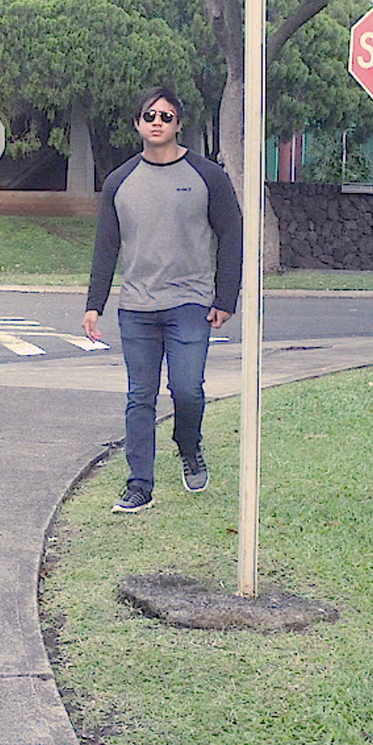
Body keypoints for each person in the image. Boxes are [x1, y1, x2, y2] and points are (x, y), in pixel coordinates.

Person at [81, 87, 241, 514]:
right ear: (137, 124)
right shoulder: (120, 181)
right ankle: (139, 485)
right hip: (136, 307)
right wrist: (94, 303)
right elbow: (106, 246)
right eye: (149, 115)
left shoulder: (207, 176)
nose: (157, 122)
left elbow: (231, 235)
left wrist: (226, 297)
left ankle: (188, 445)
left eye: (166, 116)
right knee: (140, 397)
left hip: (190, 302)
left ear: (178, 124)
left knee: (187, 391)